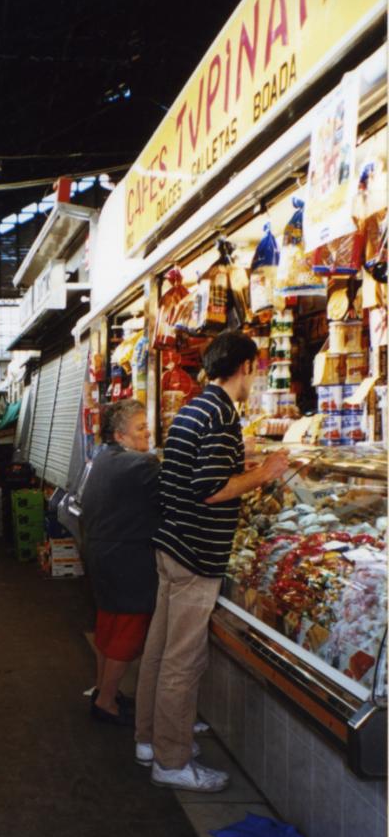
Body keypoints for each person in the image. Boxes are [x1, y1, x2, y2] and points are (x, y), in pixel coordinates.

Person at [134, 331, 290, 792]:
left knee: (159, 652)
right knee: (182, 662)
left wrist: (247, 460)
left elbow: (197, 472)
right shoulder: (221, 414)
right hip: (196, 554)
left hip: (172, 546)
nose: (254, 377)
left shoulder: (195, 407)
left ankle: (151, 740)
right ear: (244, 367)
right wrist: (264, 473)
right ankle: (172, 760)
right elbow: (210, 488)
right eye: (254, 369)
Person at [81, 399, 161, 725]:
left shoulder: (103, 459)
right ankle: (105, 703)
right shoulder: (139, 465)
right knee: (127, 632)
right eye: (141, 428)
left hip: (101, 556)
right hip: (127, 561)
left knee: (108, 625)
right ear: (121, 435)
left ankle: (105, 690)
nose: (147, 434)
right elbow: (185, 486)